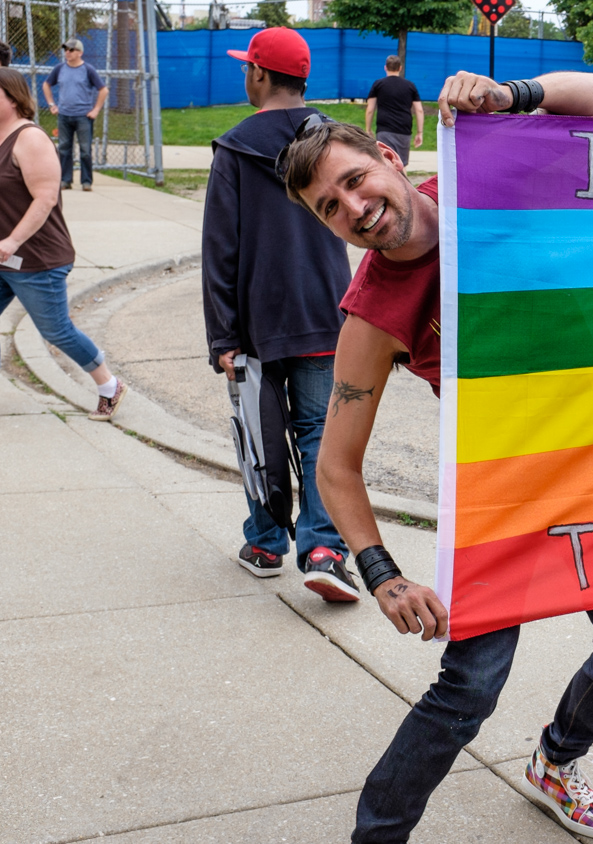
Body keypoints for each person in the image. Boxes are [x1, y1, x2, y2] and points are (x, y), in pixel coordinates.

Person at [281, 70, 593, 843]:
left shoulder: (485, 175)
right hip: (506, 495)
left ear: (388, 156)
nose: (354, 208)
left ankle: (557, 761)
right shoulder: (374, 309)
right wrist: (382, 574)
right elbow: (335, 463)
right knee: (468, 689)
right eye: (330, 208)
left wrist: (509, 95)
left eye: (355, 181)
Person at [202, 26, 356, 599]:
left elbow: (222, 248)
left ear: (259, 75)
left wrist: (223, 335)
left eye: (248, 67)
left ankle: (266, 543)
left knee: (258, 435)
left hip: (255, 323)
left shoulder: (235, 148)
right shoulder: (334, 140)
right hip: (325, 309)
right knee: (320, 431)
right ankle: (322, 548)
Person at [0, 68, 125, 420]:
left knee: (55, 330)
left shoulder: (30, 139)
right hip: (5, 257)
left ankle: (109, 385)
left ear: (12, 97)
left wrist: (12, 240)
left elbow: (45, 199)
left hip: (37, 258)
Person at [42, 38, 107, 191]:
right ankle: (65, 180)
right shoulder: (60, 68)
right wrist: (52, 105)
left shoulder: (88, 70)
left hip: (83, 116)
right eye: (66, 50)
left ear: (80, 53)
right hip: (64, 115)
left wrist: (95, 109)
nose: (67, 53)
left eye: (71, 50)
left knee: (85, 150)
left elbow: (103, 90)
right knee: (64, 148)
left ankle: (86, 181)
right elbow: (46, 84)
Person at [364, 56, 422, 166]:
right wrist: (420, 132)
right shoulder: (410, 85)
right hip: (404, 129)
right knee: (401, 164)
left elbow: (370, 109)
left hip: (384, 129)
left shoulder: (378, 84)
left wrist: (368, 129)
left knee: (386, 162)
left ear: (385, 67)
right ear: (400, 68)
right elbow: (419, 110)